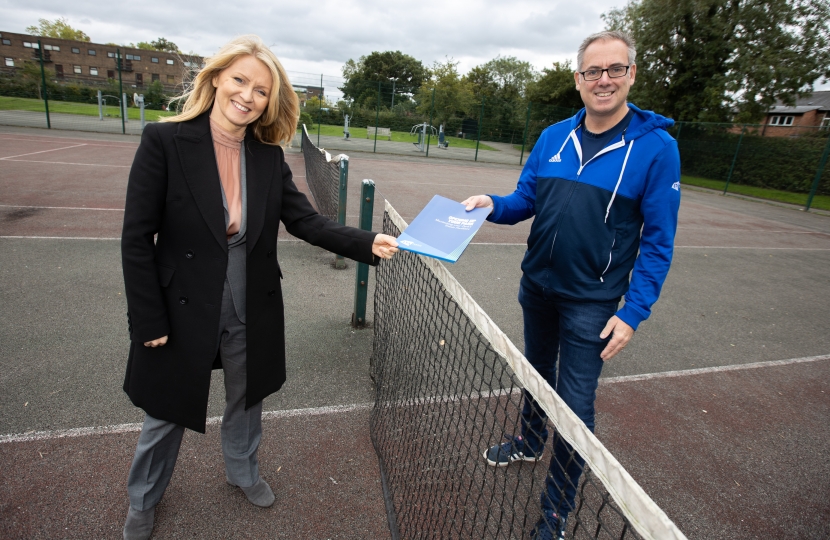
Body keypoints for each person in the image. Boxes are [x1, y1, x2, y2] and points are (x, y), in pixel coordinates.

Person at [120, 35, 398, 540]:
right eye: (240, 80)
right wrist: (148, 318)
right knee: (166, 409)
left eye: (262, 90)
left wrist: (368, 242)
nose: (248, 96)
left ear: (271, 101)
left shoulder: (268, 157)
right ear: (216, 80)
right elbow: (137, 238)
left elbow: (306, 222)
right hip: (182, 301)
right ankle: (143, 499)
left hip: (252, 296)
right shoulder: (164, 141)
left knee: (247, 397)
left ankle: (242, 470)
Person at [462, 30, 680, 540]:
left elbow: (658, 242)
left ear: (631, 74)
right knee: (535, 375)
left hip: (594, 304)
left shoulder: (657, 149)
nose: (603, 80)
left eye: (615, 69)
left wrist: (632, 312)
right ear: (578, 79)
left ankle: (557, 509)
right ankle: (530, 439)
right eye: (593, 71)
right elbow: (524, 201)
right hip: (536, 286)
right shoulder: (553, 136)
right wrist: (491, 203)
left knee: (577, 409)